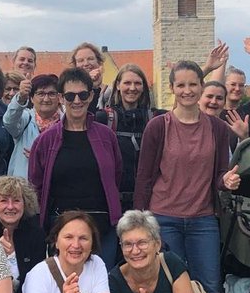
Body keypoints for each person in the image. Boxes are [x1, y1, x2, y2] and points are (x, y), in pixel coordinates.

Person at [133, 59, 246, 293]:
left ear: (201, 86)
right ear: (172, 89)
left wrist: (226, 181)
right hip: (164, 218)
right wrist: (140, 222)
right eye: (180, 85)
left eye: (192, 84)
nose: (187, 91)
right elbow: (145, 177)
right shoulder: (158, 126)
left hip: (202, 219)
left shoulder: (216, 129)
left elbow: (218, 176)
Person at [28, 68, 123, 267]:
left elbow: (116, 176)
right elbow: (35, 185)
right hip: (62, 227)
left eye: (82, 95)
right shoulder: (46, 141)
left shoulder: (106, 136)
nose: (77, 101)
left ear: (90, 96)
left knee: (101, 286)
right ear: (62, 98)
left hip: (102, 226)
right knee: (66, 286)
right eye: (70, 95)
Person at [100, 63, 164, 212]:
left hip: (148, 202)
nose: (132, 88)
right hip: (112, 202)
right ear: (117, 85)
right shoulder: (105, 118)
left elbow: (185, 111)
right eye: (127, 83)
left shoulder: (156, 118)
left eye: (137, 83)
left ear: (143, 87)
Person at [3, 72, 61, 180]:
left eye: (52, 94)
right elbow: (9, 121)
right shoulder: (25, 119)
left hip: (56, 186)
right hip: (24, 189)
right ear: (32, 98)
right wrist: (21, 97)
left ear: (59, 97)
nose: (46, 99)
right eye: (41, 94)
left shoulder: (66, 123)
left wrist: (43, 157)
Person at [71, 41, 110, 110]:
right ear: (75, 66)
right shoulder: (70, 93)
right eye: (80, 60)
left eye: (90, 59)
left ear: (99, 62)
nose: (86, 63)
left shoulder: (110, 92)